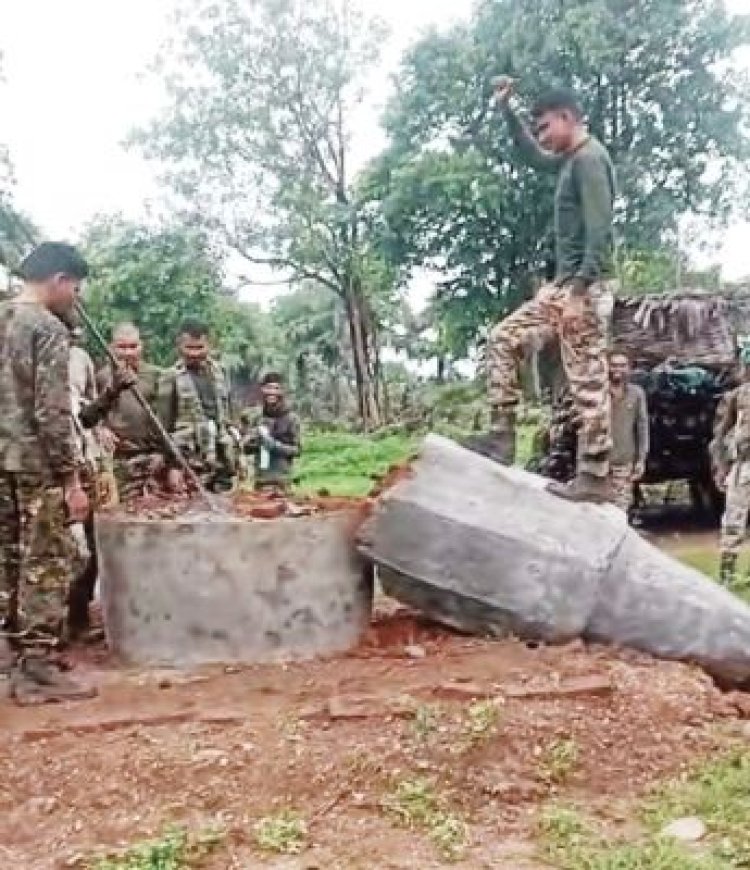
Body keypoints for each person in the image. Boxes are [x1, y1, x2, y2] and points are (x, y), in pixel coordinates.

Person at [482, 79, 616, 503]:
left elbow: (600, 230)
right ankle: (501, 437)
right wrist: (507, 111)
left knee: (587, 380)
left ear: (567, 117)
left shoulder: (590, 160)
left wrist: (579, 291)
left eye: (545, 127)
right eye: (537, 128)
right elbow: (533, 156)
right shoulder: (569, 160)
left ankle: (594, 475)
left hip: (585, 286)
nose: (541, 136)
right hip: (563, 287)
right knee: (504, 338)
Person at [0, 242, 96, 704]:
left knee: (8, 561)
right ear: (59, 279)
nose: (75, 296)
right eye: (75, 287)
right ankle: (36, 666)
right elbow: (52, 412)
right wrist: (71, 480)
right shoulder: (47, 328)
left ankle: (12, 656)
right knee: (47, 562)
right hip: (36, 465)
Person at [94, 322, 175, 501]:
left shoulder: (157, 376)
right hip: (119, 457)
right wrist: (100, 429)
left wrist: (166, 456)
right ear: (111, 348)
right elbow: (90, 414)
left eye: (133, 346)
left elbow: (169, 420)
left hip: (152, 455)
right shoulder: (102, 377)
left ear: (141, 346)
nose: (128, 353)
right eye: (122, 347)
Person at [162, 319, 237, 492]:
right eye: (189, 348)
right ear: (179, 346)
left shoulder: (221, 372)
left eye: (199, 347)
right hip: (189, 458)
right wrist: (173, 465)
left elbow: (229, 414)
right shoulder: (170, 377)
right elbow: (164, 426)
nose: (194, 353)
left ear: (209, 345)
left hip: (221, 456)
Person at [711, 342, 750, 587]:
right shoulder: (737, 396)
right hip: (743, 465)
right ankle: (727, 573)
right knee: (734, 519)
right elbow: (721, 433)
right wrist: (721, 467)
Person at [241, 372, 301, 491]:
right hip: (260, 480)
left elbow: (297, 450)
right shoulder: (255, 417)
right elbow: (246, 449)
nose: (272, 392)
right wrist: (254, 441)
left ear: (282, 391)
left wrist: (275, 445)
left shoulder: (291, 418)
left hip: (281, 480)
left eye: (276, 388)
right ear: (262, 390)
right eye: (268, 388)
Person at [608, 351, 649, 514]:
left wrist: (641, 459)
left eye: (622, 365)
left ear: (629, 369)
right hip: (598, 462)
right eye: (614, 365)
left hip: (623, 461)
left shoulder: (636, 394)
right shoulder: (599, 393)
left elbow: (642, 427)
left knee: (620, 508)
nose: (618, 369)